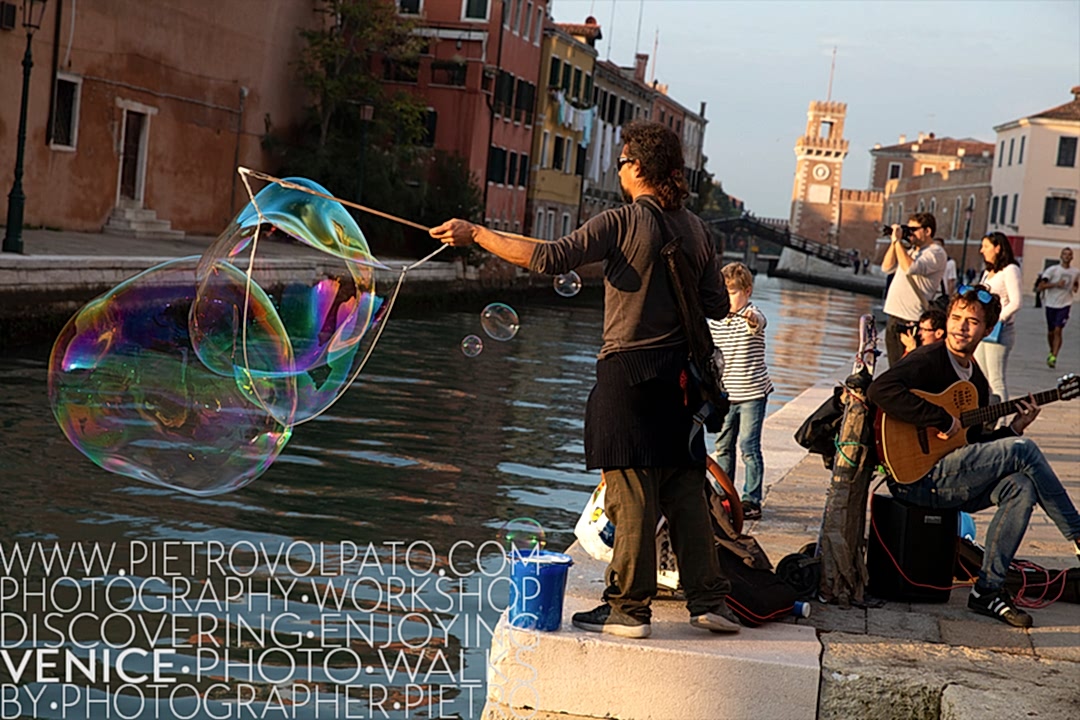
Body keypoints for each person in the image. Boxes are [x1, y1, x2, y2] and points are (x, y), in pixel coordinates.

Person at [429, 121, 740, 638]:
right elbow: (717, 305)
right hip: (681, 379)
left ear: (638, 167)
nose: (618, 169)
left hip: (628, 372)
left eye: (621, 162)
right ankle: (710, 601)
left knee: (633, 488)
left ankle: (628, 609)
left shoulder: (621, 221)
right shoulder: (698, 230)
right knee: (684, 486)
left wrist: (477, 233)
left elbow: (550, 258)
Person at [868, 286, 1080, 628]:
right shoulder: (929, 359)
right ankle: (1077, 533)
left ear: (987, 329)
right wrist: (939, 417)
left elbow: (976, 443)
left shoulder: (977, 382)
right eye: (955, 318)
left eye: (971, 322)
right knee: (1022, 453)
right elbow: (880, 390)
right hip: (917, 478)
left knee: (1021, 486)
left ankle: (988, 591)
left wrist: (1014, 429)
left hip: (952, 477)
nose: (960, 327)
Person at [708, 262, 773, 521]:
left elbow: (759, 323)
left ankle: (751, 500)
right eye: (724, 293)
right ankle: (723, 495)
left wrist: (752, 319)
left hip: (752, 393)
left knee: (748, 445)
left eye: (733, 293)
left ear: (747, 291)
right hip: (725, 395)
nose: (728, 299)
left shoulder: (751, 315)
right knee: (723, 446)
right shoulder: (716, 321)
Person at [880, 213, 948, 367]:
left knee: (906, 368)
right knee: (894, 367)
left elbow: (910, 267)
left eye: (913, 229)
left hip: (911, 319)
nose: (909, 233)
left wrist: (898, 242)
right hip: (894, 315)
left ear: (927, 231)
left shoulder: (935, 252)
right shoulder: (911, 251)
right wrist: (894, 242)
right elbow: (887, 267)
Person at [973, 232, 1022, 405]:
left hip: (1000, 330)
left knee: (996, 379)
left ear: (998, 248)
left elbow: (1016, 302)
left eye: (986, 246)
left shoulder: (1010, 270)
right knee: (981, 377)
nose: (982, 250)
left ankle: (1001, 420)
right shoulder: (988, 272)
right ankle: (986, 418)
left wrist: (997, 320)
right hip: (983, 329)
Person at [1036, 247, 1079, 369]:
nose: (1067, 256)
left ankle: (1054, 356)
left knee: (1058, 330)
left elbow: (1076, 283)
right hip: (1051, 303)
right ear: (1061, 256)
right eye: (1064, 254)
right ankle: (1051, 350)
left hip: (1065, 304)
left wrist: (1075, 287)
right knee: (1051, 332)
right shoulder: (1052, 270)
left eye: (1069, 254)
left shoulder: (1075, 271)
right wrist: (1056, 284)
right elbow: (1041, 286)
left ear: (1072, 257)